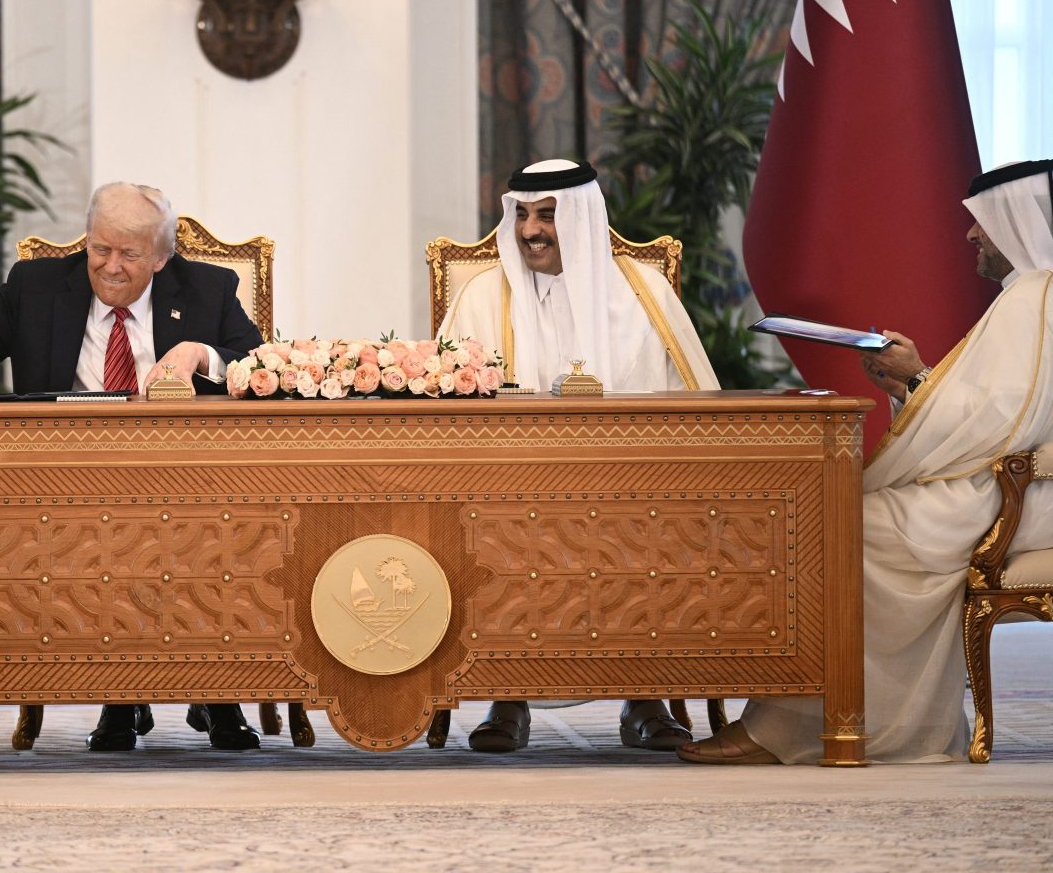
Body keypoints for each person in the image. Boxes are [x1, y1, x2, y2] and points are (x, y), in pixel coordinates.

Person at [0, 181, 265, 751]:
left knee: (195, 529)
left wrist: (199, 354)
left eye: (129, 255)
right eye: (99, 249)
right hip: (61, 480)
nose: (109, 267)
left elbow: (259, 365)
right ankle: (121, 698)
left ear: (161, 257)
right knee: (106, 535)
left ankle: (216, 693)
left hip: (181, 477)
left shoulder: (208, 288)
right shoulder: (37, 287)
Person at [680, 158, 1053, 764]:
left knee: (843, 532)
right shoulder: (1026, 297)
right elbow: (989, 412)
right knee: (834, 521)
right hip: (978, 482)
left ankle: (802, 732)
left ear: (1013, 221)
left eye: (980, 222)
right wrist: (910, 384)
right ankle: (799, 723)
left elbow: (999, 426)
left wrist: (920, 376)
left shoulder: (1035, 297)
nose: (970, 236)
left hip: (999, 495)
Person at [439, 158, 719, 753]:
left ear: (583, 219)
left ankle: (643, 698)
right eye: (522, 215)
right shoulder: (483, 296)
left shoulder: (644, 296)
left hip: (628, 485)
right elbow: (446, 411)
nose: (529, 231)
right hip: (508, 486)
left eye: (547, 216)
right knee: (494, 529)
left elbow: (691, 407)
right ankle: (506, 695)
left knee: (648, 524)